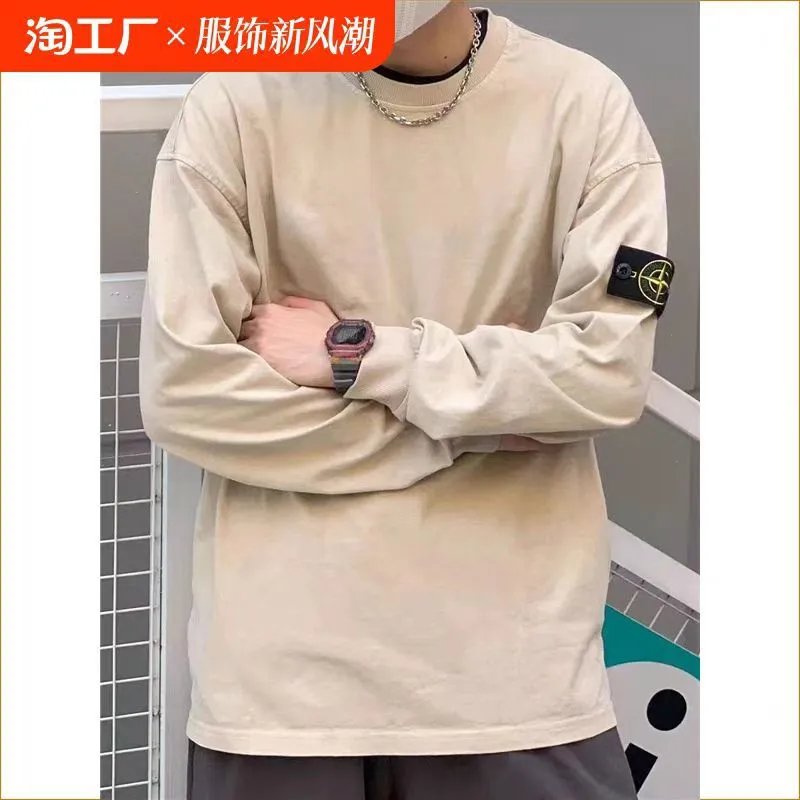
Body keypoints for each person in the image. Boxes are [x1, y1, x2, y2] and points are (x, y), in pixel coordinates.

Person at [139, 2, 674, 797]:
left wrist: (357, 354)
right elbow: (186, 392)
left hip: (515, 680)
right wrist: (473, 427)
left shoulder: (582, 104)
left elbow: (606, 375)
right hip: (286, 691)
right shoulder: (237, 100)